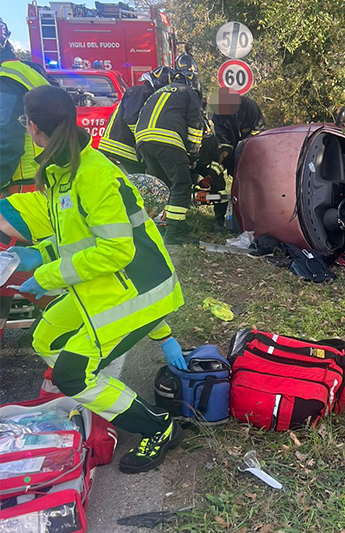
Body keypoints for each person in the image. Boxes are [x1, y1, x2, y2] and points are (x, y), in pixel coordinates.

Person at [6, 85, 187, 473]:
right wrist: (39, 254)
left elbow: (117, 250)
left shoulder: (92, 174)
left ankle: (159, 426)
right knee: (47, 337)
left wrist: (46, 273)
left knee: (72, 372)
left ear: (34, 128)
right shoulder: (62, 173)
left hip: (138, 291)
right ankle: (96, 396)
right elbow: (80, 242)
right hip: (108, 285)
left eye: (25, 123)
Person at [135, 70, 204, 244]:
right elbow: (196, 125)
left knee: (165, 185)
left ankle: (167, 224)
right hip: (167, 140)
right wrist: (193, 154)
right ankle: (174, 234)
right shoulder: (189, 93)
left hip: (143, 140)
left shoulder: (158, 92)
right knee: (181, 184)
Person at [0, 18, 51, 193]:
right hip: (41, 180)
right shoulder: (25, 71)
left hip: (17, 188)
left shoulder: (4, 81)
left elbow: (6, 143)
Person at [98, 66, 173, 174]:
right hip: (121, 148)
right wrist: (142, 140)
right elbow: (131, 118)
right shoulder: (139, 92)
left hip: (124, 148)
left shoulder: (143, 93)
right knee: (137, 184)